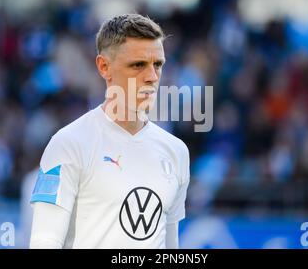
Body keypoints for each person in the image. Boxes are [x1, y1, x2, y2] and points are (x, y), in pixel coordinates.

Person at [29, 14, 190, 249]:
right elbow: (44, 242)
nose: (152, 77)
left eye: (158, 65)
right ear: (104, 67)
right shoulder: (68, 144)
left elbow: (171, 247)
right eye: (138, 65)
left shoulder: (176, 152)